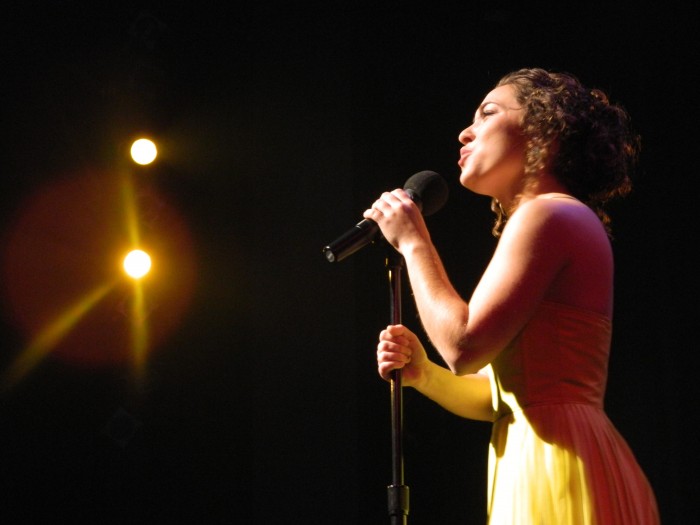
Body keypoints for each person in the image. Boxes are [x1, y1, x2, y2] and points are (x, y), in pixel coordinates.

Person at [363, 68, 660, 524]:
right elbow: (506, 397)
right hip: (544, 450)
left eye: (488, 112)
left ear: (546, 130)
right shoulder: (558, 216)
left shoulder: (549, 213)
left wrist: (413, 242)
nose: (465, 131)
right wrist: (424, 374)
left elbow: (463, 347)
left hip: (557, 460)